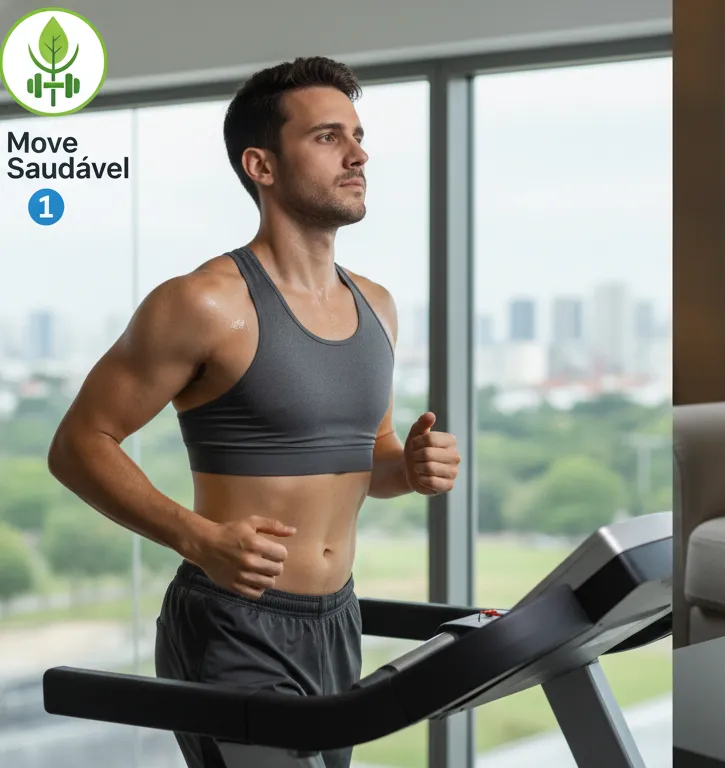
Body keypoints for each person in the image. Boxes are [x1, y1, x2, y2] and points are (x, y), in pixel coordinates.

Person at [46, 56, 461, 768]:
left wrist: (411, 467)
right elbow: (80, 443)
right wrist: (197, 537)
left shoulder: (378, 306)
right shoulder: (204, 303)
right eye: (329, 137)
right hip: (233, 626)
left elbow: (373, 460)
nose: (359, 154)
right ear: (261, 166)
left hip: (337, 623)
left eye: (358, 135)